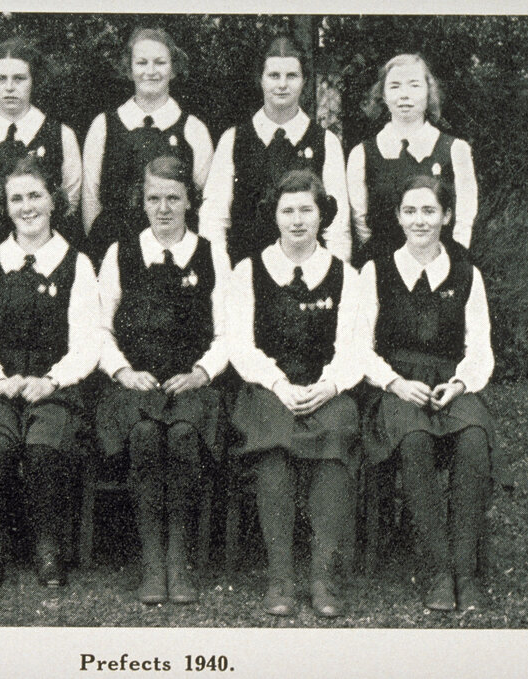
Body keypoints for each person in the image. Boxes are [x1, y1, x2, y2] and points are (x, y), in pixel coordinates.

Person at [355, 174, 508, 612]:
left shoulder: (465, 274)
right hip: (396, 387)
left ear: (446, 216)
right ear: (398, 217)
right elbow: (358, 348)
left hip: (450, 384)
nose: (419, 220)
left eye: (428, 211)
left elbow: (481, 349)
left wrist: (460, 382)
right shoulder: (377, 271)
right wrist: (395, 382)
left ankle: (466, 571)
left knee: (475, 440)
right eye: (410, 211)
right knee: (415, 441)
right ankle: (440, 570)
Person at [0, 155, 99, 589]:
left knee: (42, 445)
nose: (27, 206)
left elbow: (87, 341)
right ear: (7, 205)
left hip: (56, 384)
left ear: (54, 200)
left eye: (35, 195)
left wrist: (51, 380)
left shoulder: (78, 264)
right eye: (16, 198)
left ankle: (48, 547)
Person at [96, 155, 229, 605]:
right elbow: (99, 327)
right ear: (143, 201)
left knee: (185, 436)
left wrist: (202, 372)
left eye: (173, 198)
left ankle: (179, 560)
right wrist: (122, 371)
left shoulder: (211, 254)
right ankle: (153, 563)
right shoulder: (122, 252)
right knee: (145, 436)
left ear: (189, 200)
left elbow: (228, 331)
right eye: (154, 198)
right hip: (136, 384)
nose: (164, 208)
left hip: (190, 384)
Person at [228, 169, 361, 617]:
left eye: (307, 209)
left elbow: (353, 347)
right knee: (275, 450)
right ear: (275, 215)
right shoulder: (249, 270)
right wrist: (279, 384)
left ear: (322, 214)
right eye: (288, 210)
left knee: (337, 435)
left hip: (326, 385)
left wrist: (329, 386)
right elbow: (240, 345)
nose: (298, 219)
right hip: (269, 387)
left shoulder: (345, 275)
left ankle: (324, 577)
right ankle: (281, 578)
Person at [199, 35, 350, 266]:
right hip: (246, 277)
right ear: (260, 79)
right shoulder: (233, 140)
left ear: (304, 80)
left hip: (309, 277)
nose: (282, 85)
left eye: (292, 76)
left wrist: (335, 278)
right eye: (273, 76)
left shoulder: (326, 142)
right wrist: (223, 279)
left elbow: (337, 229)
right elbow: (214, 221)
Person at [81, 27, 214, 266]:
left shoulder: (193, 129)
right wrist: (104, 255)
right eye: (141, 62)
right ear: (129, 68)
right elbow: (90, 198)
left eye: (160, 62)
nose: (150, 71)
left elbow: (206, 203)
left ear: (172, 68)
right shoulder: (103, 126)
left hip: (174, 256)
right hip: (114, 255)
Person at [0, 37, 83, 267]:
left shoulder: (61, 135)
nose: (9, 87)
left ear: (33, 81)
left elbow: (70, 202)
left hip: (47, 259)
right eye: (1, 79)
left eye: (19, 79)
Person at [346, 53, 477, 268]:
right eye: (395, 86)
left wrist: (451, 267)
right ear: (383, 95)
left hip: (440, 269)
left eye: (414, 86)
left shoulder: (456, 150)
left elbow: (464, 222)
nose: (404, 95)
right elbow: (362, 224)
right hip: (382, 269)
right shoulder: (361, 154)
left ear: (428, 93)